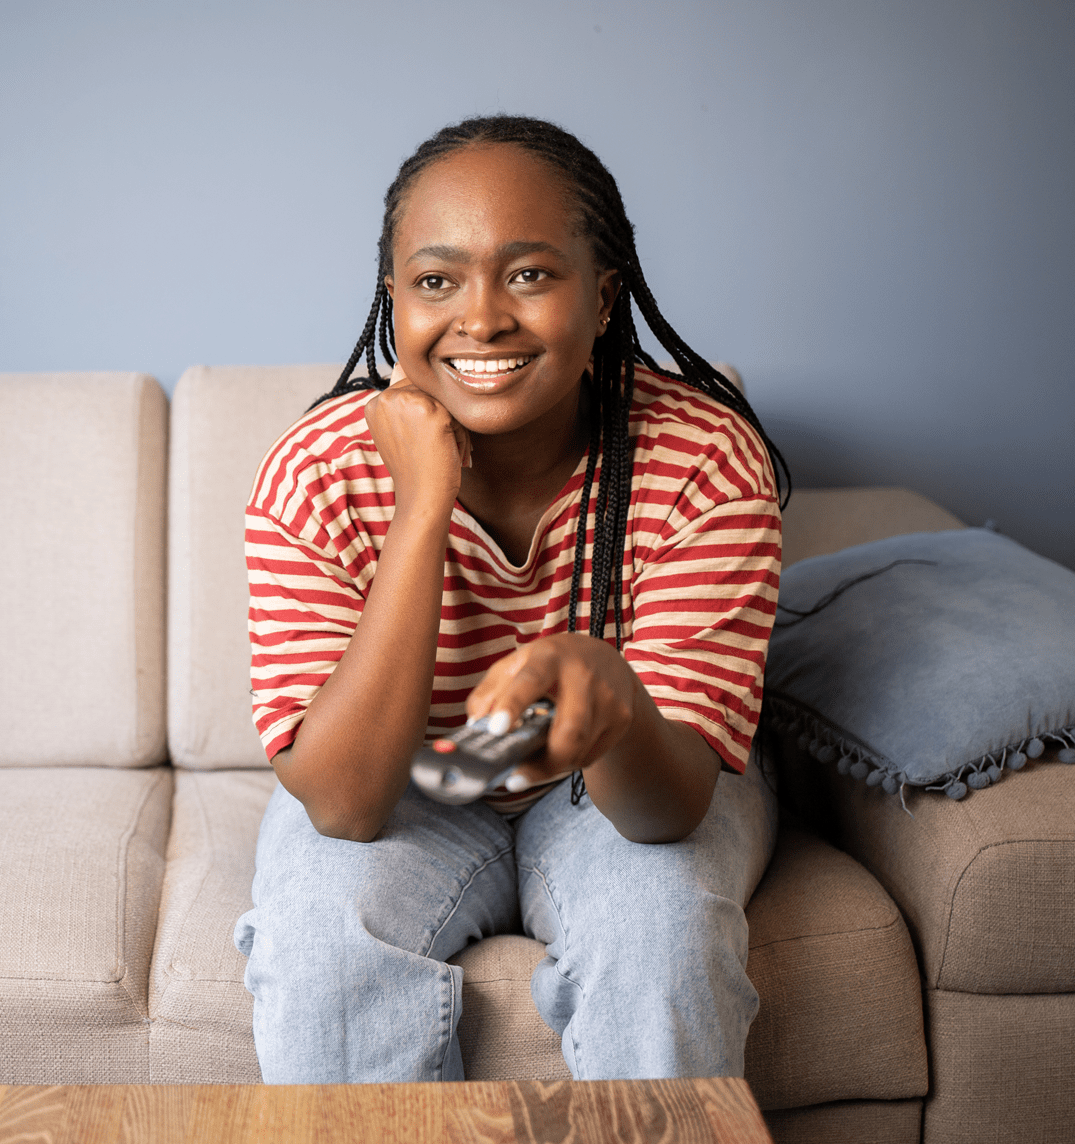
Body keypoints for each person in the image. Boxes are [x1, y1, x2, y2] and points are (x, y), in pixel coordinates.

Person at [234, 114, 787, 1084]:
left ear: (604, 297)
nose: (480, 317)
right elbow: (345, 802)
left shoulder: (705, 462)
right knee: (319, 944)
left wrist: (605, 693)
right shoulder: (314, 475)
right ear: (393, 301)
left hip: (628, 782)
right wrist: (422, 507)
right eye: (436, 280)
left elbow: (666, 813)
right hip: (409, 782)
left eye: (528, 273)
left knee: (659, 935)